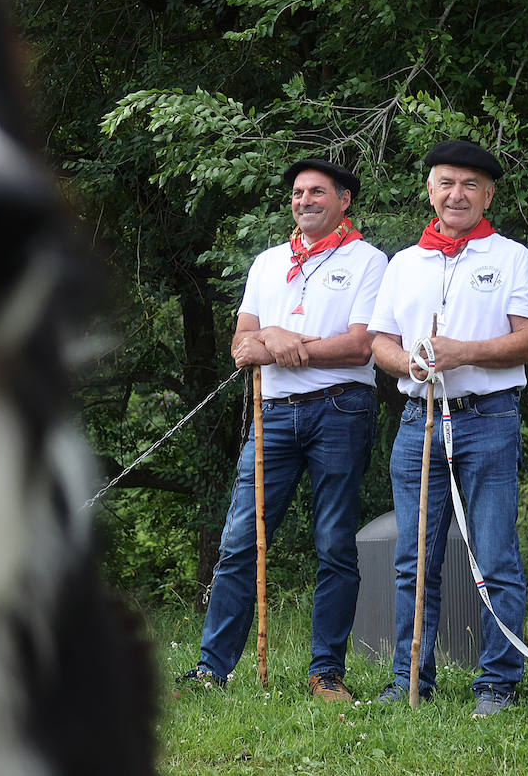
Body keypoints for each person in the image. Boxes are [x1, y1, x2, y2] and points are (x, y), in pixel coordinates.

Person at [177, 158, 386, 702]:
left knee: (335, 543)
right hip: (272, 414)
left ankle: (325, 673)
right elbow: (242, 344)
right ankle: (210, 670)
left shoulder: (368, 260)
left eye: (317, 192)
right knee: (239, 540)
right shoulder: (269, 263)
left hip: (341, 409)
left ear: (344, 200)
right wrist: (272, 333)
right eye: (297, 192)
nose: (304, 200)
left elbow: (362, 344)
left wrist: (290, 347)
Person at [367, 139, 528, 716]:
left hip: (489, 420)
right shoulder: (403, 263)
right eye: (446, 182)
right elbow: (379, 344)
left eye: (470, 185)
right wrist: (411, 363)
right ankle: (409, 679)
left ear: (488, 193)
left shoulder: (511, 256)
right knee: (413, 559)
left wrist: (460, 352)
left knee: (495, 557)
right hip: (418, 421)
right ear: (430, 190)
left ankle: (497, 683)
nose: (457, 194)